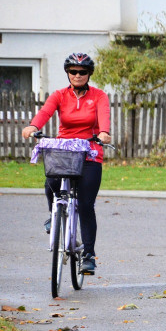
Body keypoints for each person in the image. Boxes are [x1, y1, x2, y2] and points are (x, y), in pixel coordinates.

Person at [22, 53, 112, 275]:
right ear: (68, 73)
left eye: (82, 72)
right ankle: (54, 215)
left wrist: (104, 132)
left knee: (86, 204)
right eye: (73, 71)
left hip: (90, 152)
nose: (78, 75)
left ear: (89, 74)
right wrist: (33, 126)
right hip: (64, 151)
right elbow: (45, 112)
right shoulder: (60, 95)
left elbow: (104, 117)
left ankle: (88, 255)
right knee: (50, 182)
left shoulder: (99, 96)